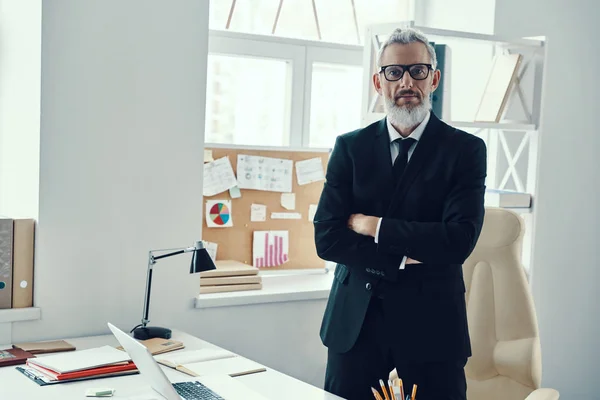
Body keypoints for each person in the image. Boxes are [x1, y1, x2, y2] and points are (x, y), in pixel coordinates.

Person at [313, 27, 487, 400]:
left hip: (433, 323)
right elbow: (327, 238)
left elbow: (457, 242)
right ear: (379, 81)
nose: (406, 81)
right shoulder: (350, 148)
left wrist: (371, 225)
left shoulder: (465, 151)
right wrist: (407, 254)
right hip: (357, 320)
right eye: (394, 72)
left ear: (434, 78)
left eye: (418, 71)